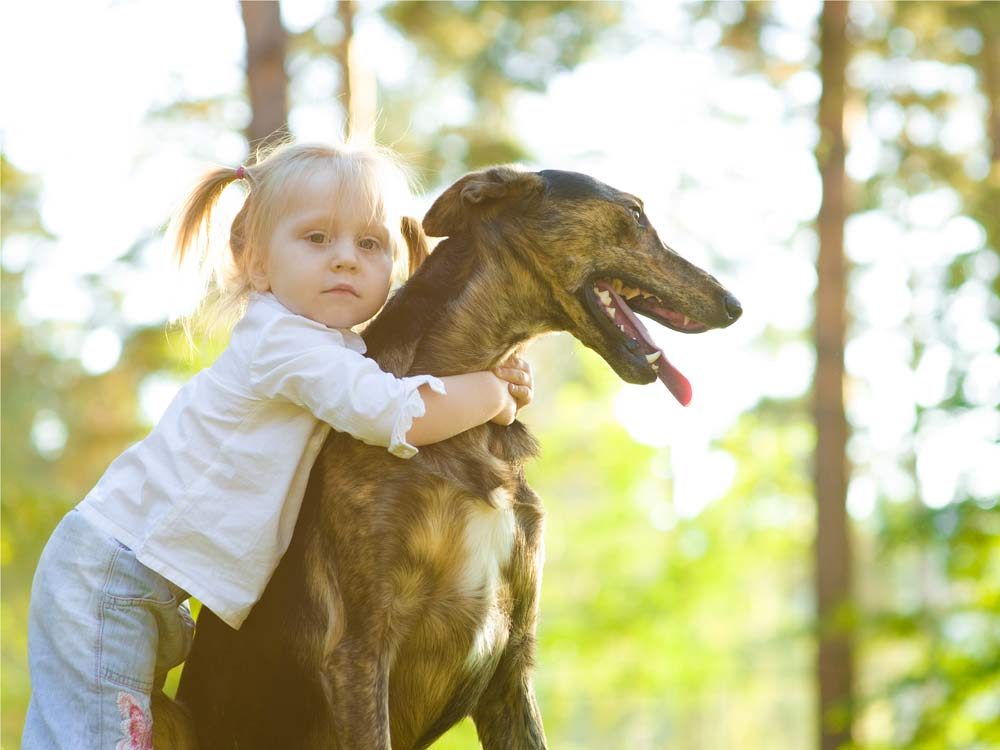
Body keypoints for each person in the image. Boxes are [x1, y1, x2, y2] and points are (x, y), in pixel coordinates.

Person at [22, 140, 533, 750]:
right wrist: (490, 393)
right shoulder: (283, 343)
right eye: (316, 239)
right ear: (255, 264)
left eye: (368, 244)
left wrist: (486, 376)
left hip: (138, 587)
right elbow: (392, 412)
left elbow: (395, 386)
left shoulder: (329, 352)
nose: (345, 259)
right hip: (109, 579)